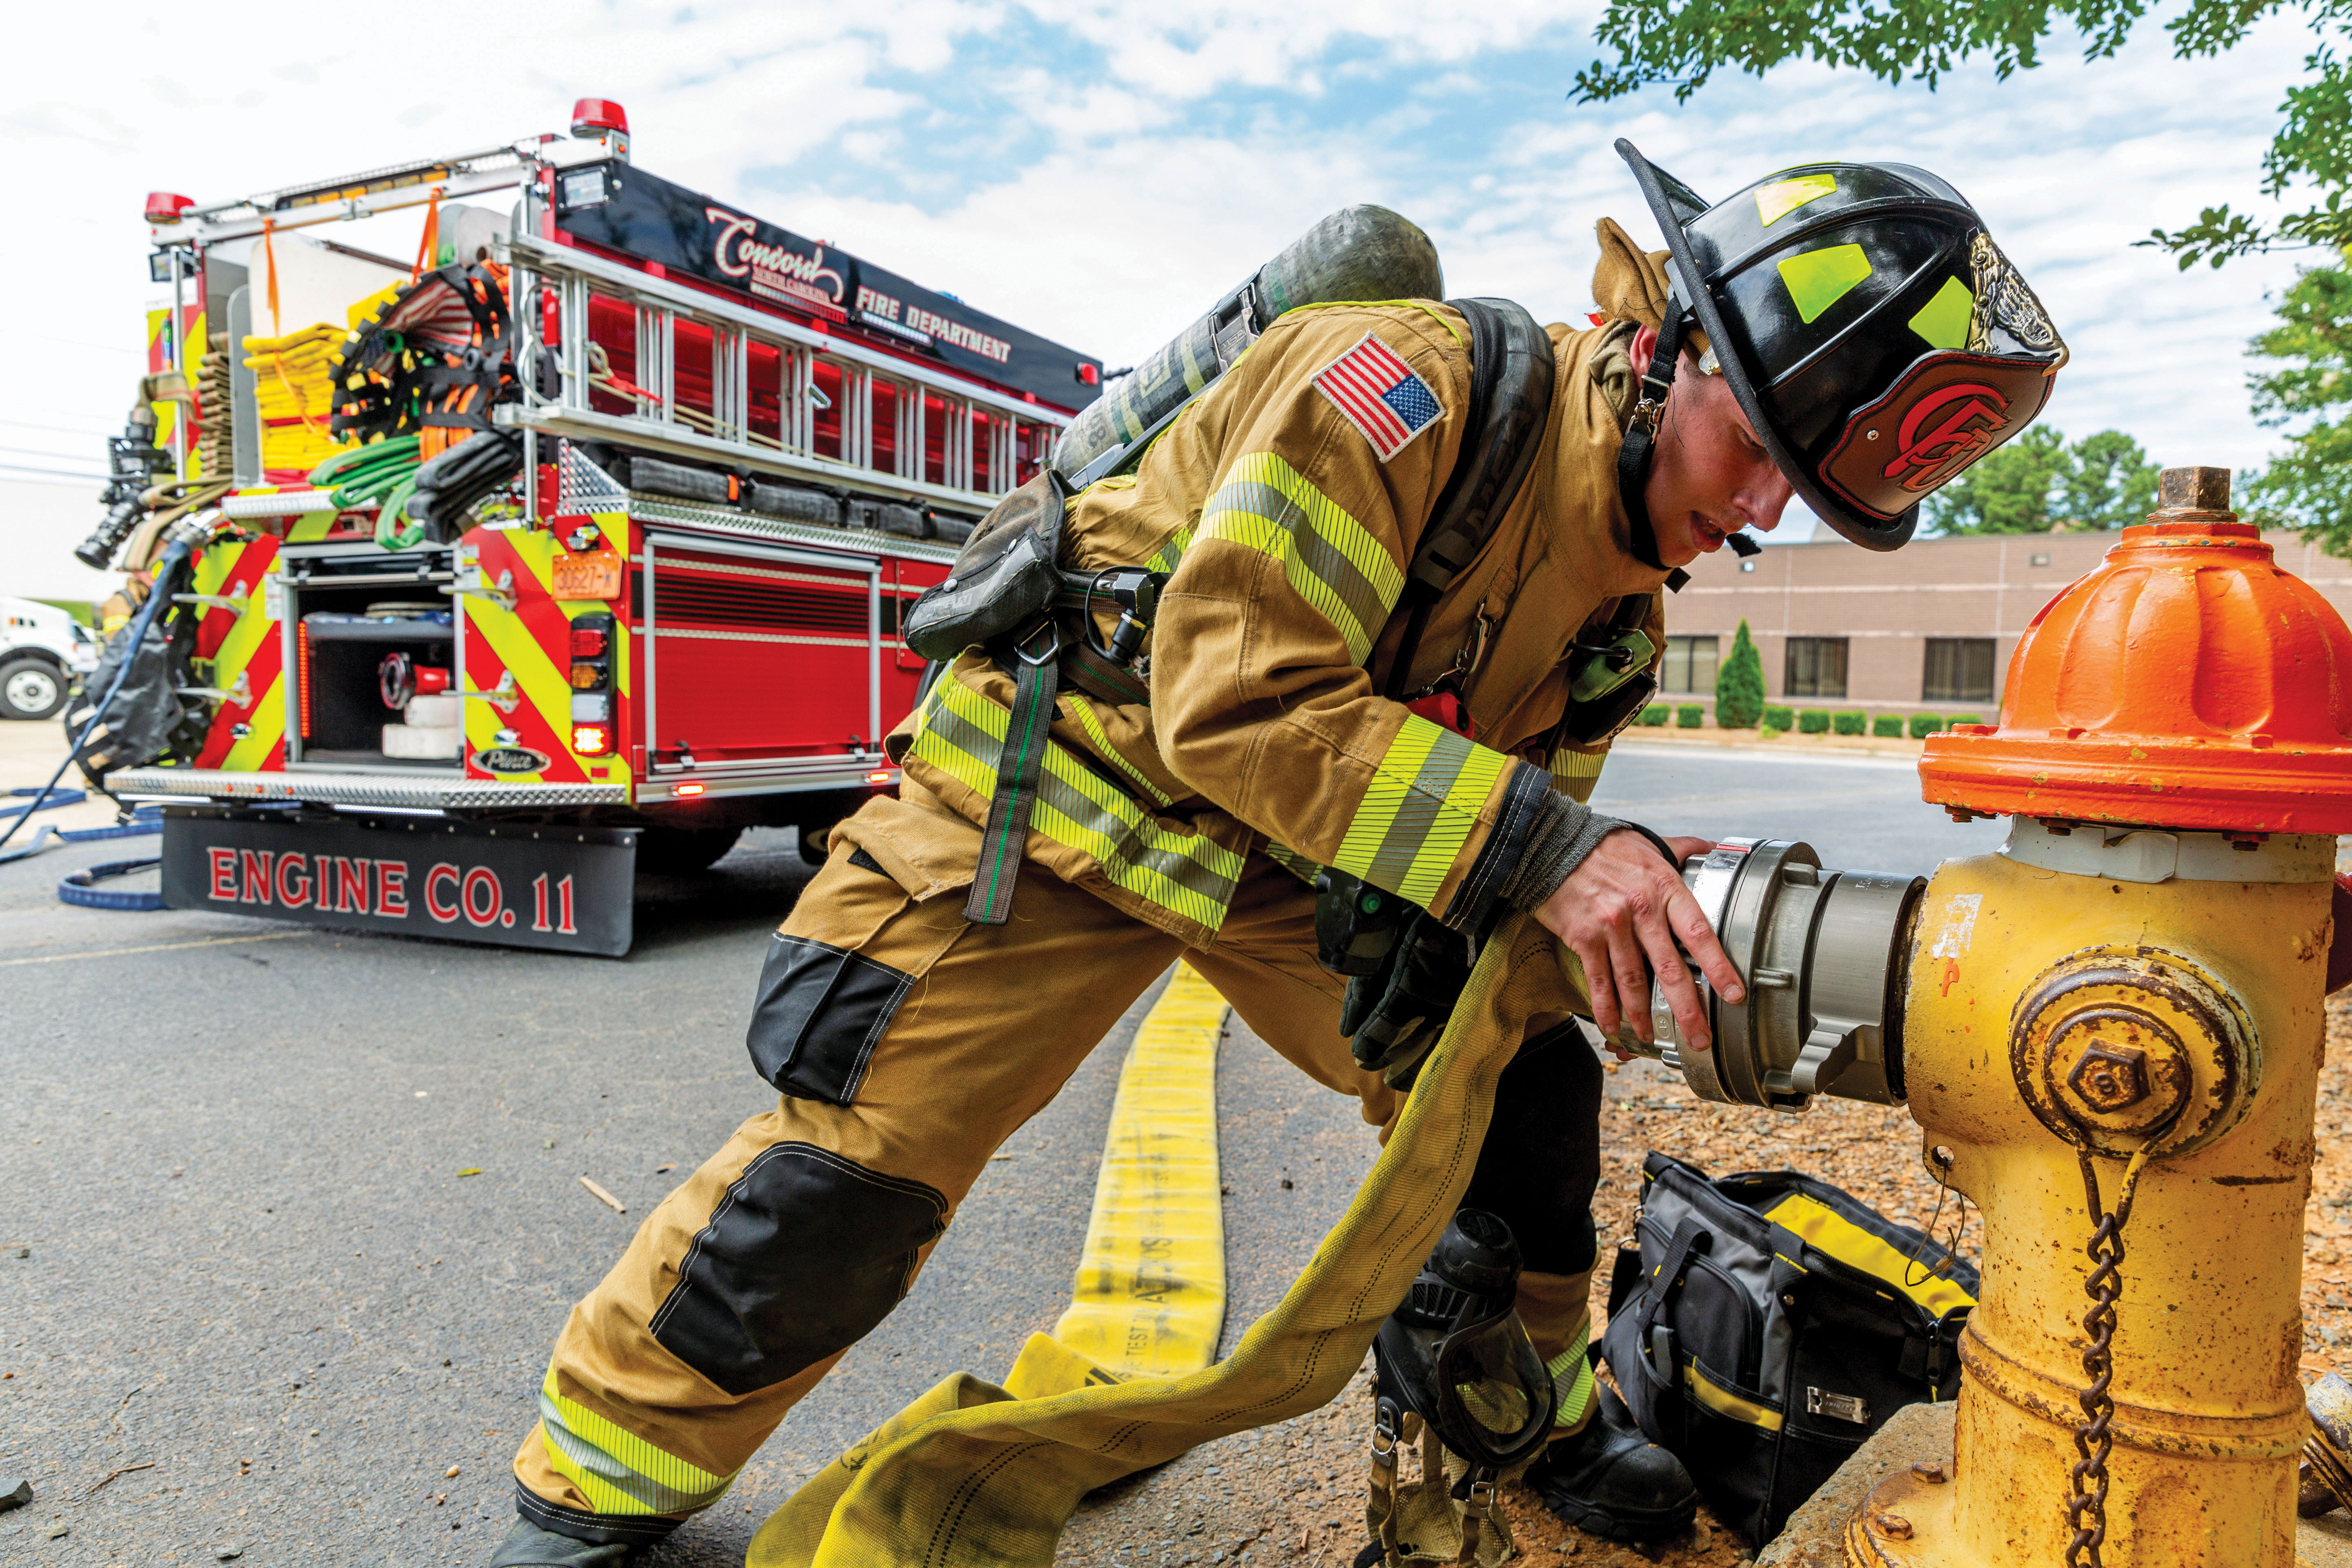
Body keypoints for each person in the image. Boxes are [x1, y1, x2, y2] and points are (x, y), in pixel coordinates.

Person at [488, 142, 2066, 1566]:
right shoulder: (1407, 390)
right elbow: (1231, 699)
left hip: (1281, 867)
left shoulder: (1619, 620)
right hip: (1064, 802)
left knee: (1517, 1075)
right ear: (1665, 348)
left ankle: (1525, 1403)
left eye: (1810, 487)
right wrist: (1544, 846)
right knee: (854, 1176)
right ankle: (599, 1480)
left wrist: (1556, 903)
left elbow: (1510, 849)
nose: (1764, 506)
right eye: (1761, 443)